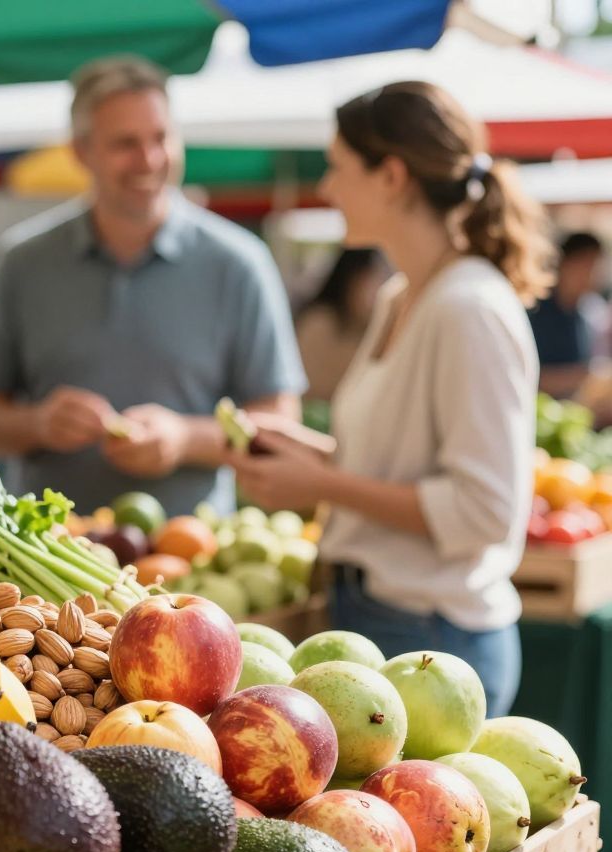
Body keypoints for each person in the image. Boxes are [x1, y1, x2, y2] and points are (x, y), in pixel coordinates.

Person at [227, 81, 555, 717]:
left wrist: (324, 485)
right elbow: (402, 466)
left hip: (435, 642)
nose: (328, 187)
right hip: (380, 619)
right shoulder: (400, 297)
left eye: (339, 167)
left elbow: (485, 509)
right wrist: (315, 455)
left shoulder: (469, 309)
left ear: (392, 176)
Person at [0, 57, 305, 516]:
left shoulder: (239, 263)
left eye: (161, 138)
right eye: (126, 143)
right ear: (81, 152)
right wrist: (39, 424)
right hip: (47, 556)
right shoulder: (22, 262)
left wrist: (184, 439)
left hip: (190, 556)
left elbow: (281, 421)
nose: (149, 160)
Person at [295, 248, 389, 402]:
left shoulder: (379, 326)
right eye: (371, 280)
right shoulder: (320, 324)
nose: (378, 290)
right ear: (349, 279)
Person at [528, 232, 604, 399]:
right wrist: (582, 378)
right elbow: (527, 376)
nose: (591, 274)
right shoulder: (535, 311)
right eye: (585, 265)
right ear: (565, 264)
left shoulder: (587, 314)